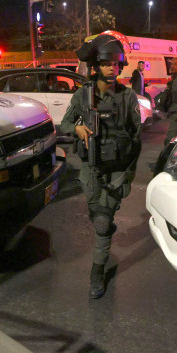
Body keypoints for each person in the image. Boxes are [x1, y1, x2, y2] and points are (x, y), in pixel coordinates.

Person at [61, 34, 142, 299]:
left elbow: (136, 139)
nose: (113, 69)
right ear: (98, 66)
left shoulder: (128, 97)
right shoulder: (83, 96)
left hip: (115, 170)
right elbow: (63, 124)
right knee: (97, 214)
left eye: (117, 65)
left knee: (102, 223)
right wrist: (77, 127)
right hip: (90, 170)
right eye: (107, 64)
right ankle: (103, 227)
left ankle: (97, 272)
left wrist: (127, 176)